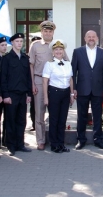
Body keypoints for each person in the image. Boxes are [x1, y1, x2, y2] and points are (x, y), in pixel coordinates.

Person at [72, 30, 103, 150]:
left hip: (98, 89)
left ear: (97, 38)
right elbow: (73, 72)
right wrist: (74, 88)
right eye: (89, 37)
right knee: (81, 116)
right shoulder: (78, 52)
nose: (91, 38)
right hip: (82, 89)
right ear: (85, 38)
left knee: (97, 116)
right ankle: (81, 140)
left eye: (93, 36)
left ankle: (98, 140)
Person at [30, 21, 64, 151]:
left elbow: (65, 62)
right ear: (42, 32)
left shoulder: (58, 46)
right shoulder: (35, 45)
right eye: (45, 31)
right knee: (39, 114)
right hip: (39, 81)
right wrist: (32, 83)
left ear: (53, 33)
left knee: (55, 113)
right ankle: (40, 140)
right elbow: (31, 65)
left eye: (50, 31)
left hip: (55, 84)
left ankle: (55, 139)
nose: (47, 33)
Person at [1, 33, 33, 156]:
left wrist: (29, 93)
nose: (19, 43)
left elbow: (28, 77)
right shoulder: (7, 58)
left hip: (22, 94)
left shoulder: (25, 58)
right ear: (12, 43)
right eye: (17, 41)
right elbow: (3, 78)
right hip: (11, 94)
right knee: (10, 120)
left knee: (21, 120)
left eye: (21, 41)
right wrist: (6, 95)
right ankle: (11, 145)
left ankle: (20, 144)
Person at [43, 40, 75, 153]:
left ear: (63, 51)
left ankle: (61, 144)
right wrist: (46, 97)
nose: (58, 51)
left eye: (60, 49)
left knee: (62, 120)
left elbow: (70, 79)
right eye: (56, 50)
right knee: (54, 119)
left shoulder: (67, 63)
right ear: (53, 52)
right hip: (54, 93)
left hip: (66, 94)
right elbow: (45, 81)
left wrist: (71, 94)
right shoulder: (49, 64)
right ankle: (54, 144)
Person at [29, 36, 42, 131]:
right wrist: (32, 84)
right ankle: (40, 139)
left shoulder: (53, 46)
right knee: (36, 110)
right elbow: (30, 67)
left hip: (51, 83)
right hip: (37, 82)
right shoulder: (34, 47)